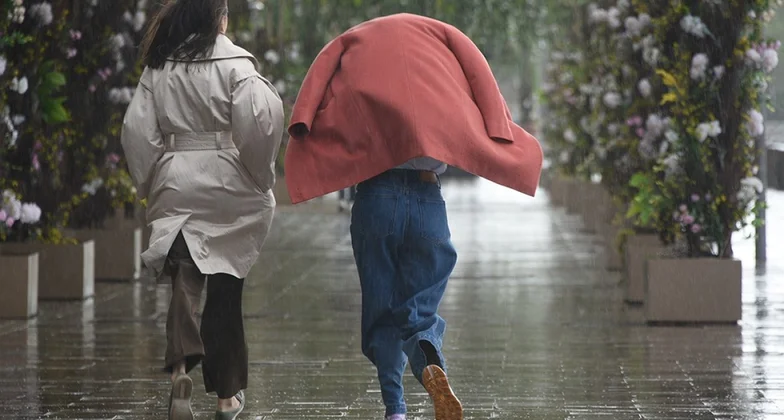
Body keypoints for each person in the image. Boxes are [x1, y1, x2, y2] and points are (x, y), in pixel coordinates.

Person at [284, 13, 543, 420]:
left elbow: (316, 97)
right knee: (419, 304)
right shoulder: (444, 61)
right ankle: (426, 352)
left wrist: (302, 131)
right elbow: (482, 87)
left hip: (376, 199)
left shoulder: (358, 58)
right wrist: (500, 127)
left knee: (381, 307)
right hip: (427, 200)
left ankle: (395, 409)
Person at [121, 1, 284, 419]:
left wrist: (151, 179)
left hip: (177, 178)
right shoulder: (236, 65)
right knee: (226, 284)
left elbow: (137, 132)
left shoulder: (159, 67)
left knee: (185, 276)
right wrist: (258, 174)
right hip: (228, 180)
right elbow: (260, 123)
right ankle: (227, 396)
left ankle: (180, 368)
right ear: (220, 20)